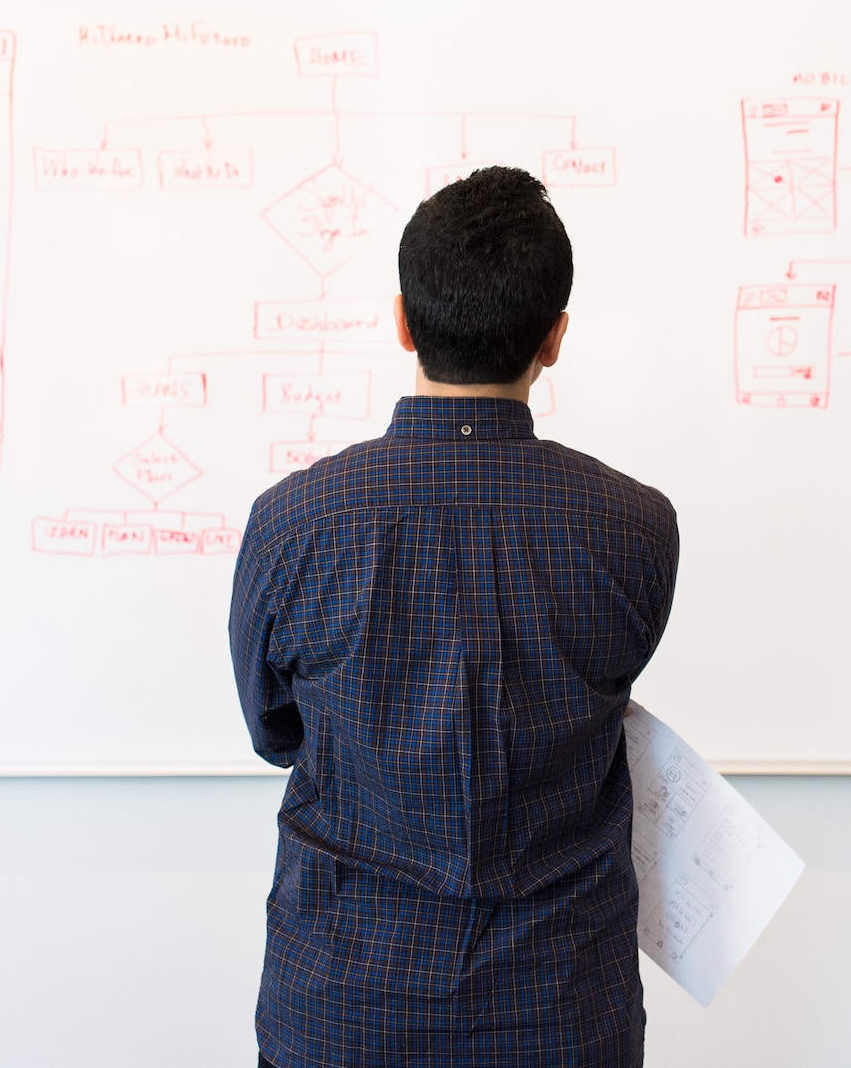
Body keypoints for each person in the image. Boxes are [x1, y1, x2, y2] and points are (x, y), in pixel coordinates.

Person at [229, 165, 681, 1068]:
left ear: (402, 320)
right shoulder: (635, 527)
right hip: (562, 1016)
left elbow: (276, 732)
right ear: (553, 339)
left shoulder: (293, 522)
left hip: (343, 1010)